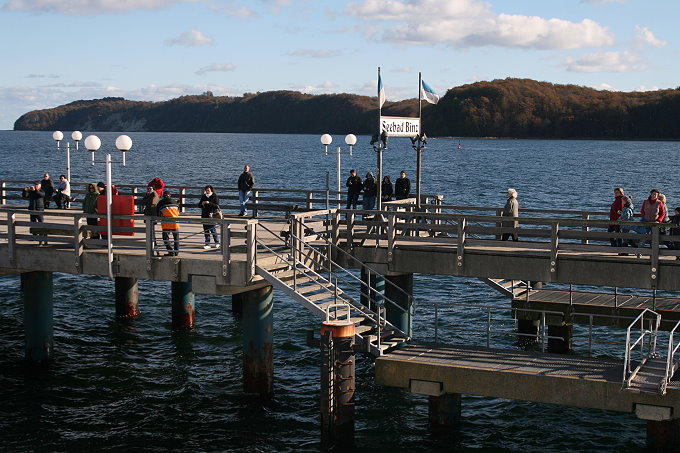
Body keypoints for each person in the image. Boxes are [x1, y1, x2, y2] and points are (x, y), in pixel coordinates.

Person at [157, 191, 180, 256]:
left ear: (163, 196)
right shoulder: (175, 202)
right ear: (170, 195)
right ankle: (176, 252)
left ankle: (170, 251)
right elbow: (178, 211)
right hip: (175, 222)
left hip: (166, 223)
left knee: (165, 238)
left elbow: (158, 214)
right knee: (176, 238)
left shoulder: (161, 203)